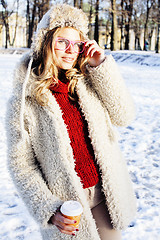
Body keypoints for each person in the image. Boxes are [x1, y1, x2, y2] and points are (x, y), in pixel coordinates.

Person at [6, 4, 136, 240]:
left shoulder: (87, 81)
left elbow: (124, 115)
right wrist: (49, 208)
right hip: (67, 206)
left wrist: (99, 66)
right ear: (45, 43)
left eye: (76, 44)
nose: (70, 51)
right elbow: (21, 165)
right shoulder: (25, 100)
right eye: (62, 42)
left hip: (103, 194)